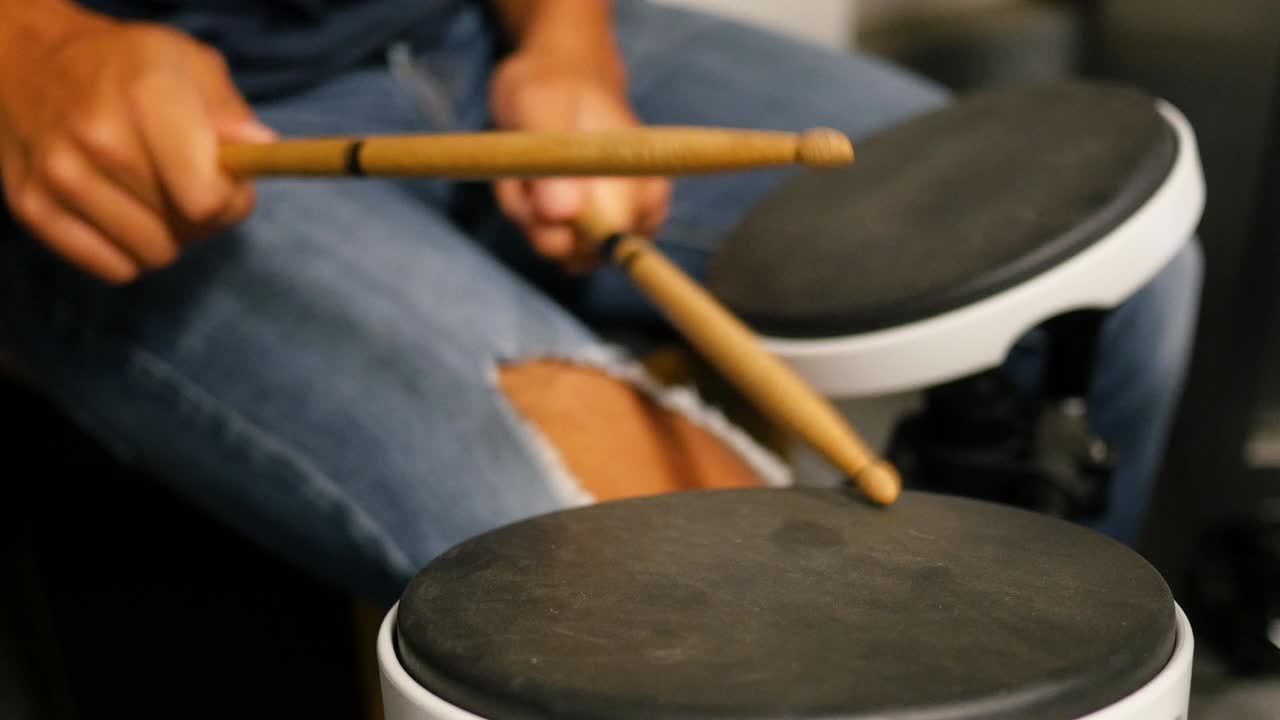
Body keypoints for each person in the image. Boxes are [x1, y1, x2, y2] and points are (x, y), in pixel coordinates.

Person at [0, 0, 1201, 604]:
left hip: (462, 35)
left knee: (1111, 281)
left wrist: (565, 41)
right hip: (132, 134)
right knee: (661, 576)